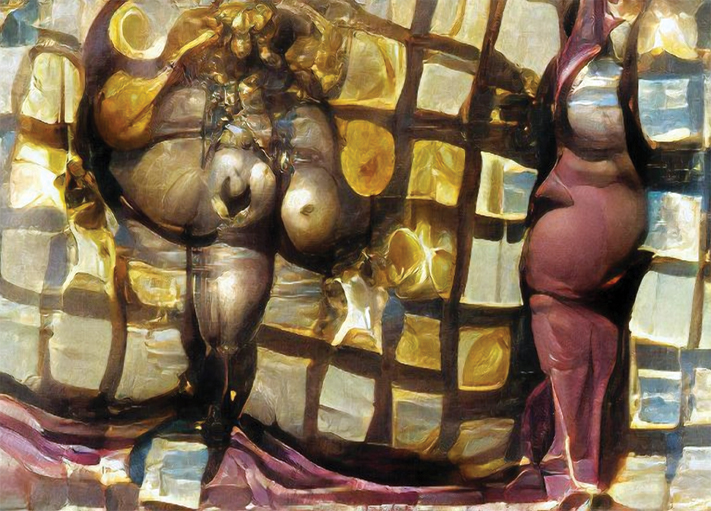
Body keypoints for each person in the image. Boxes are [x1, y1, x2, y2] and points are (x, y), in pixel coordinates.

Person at [508, 0, 648, 500]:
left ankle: (576, 467)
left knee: (583, 345)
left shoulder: (623, 49)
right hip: (586, 241)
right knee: (584, 347)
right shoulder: (583, 51)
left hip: (597, 239)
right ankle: (575, 465)